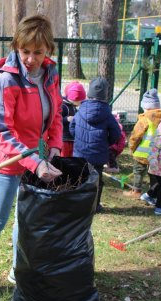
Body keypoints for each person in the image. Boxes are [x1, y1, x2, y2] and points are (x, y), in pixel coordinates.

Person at [0, 14, 63, 301]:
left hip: (38, 158)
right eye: (26, 51)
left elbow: (56, 117)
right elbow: (2, 133)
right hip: (10, 161)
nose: (31, 58)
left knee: (24, 220)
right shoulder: (5, 81)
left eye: (38, 52)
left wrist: (54, 148)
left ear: (48, 50)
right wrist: (35, 162)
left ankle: (16, 270)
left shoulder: (51, 74)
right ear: (17, 47)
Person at [69, 77, 122, 213]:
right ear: (105, 95)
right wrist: (106, 143)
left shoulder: (80, 110)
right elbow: (116, 133)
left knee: (80, 178)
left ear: (88, 93)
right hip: (98, 155)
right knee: (96, 180)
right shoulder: (108, 114)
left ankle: (79, 203)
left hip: (80, 153)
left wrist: (79, 139)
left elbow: (72, 127)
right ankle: (95, 205)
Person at [123, 89, 161, 199]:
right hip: (158, 153)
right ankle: (154, 192)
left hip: (143, 152)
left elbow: (135, 136)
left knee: (138, 171)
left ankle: (136, 191)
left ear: (145, 106)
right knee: (154, 173)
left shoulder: (144, 119)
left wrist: (132, 147)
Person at [61, 81, 86, 157]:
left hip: (73, 138)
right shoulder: (63, 106)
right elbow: (57, 121)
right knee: (64, 157)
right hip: (64, 138)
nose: (80, 102)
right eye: (79, 100)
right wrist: (66, 119)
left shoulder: (74, 107)